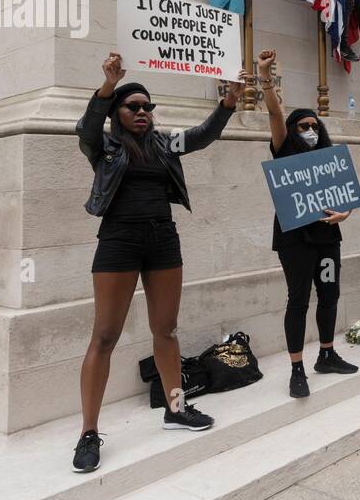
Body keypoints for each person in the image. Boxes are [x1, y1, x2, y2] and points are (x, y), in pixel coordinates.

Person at [72, 52, 243, 473]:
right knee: (105, 335)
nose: (144, 112)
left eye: (149, 107)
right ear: (118, 112)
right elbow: (86, 128)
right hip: (118, 240)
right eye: (135, 107)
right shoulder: (104, 145)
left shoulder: (165, 143)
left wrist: (228, 103)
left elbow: (202, 136)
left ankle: (175, 408)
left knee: (165, 330)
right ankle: (88, 433)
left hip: (163, 239)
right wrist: (108, 85)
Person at [256, 50, 358, 400]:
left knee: (329, 295)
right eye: (304, 126)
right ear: (292, 130)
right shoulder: (284, 149)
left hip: (328, 239)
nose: (311, 130)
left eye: (315, 126)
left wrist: (345, 214)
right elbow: (274, 111)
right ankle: (297, 368)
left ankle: (327, 354)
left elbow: (345, 196)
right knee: (298, 300)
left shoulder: (328, 157)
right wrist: (264, 76)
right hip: (295, 240)